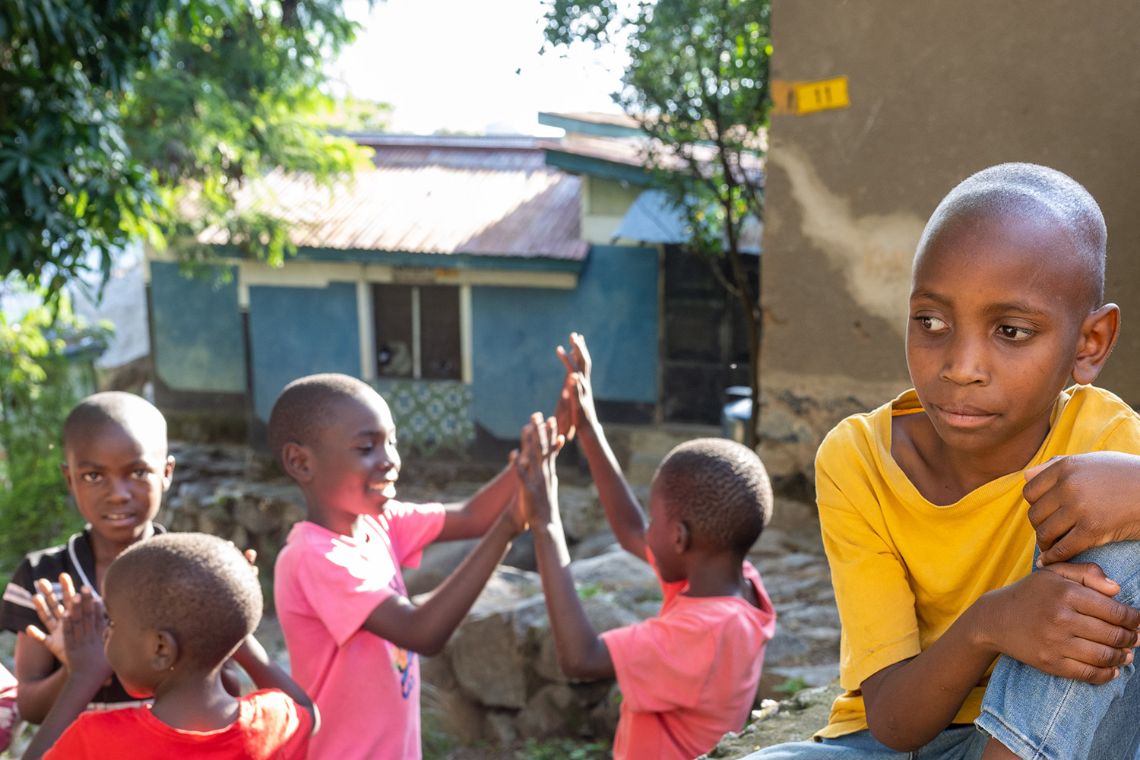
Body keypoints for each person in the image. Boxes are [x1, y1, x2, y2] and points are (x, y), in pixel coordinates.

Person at [745, 163, 1140, 760]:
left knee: (1121, 552)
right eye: (931, 322)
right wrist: (992, 622)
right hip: (904, 743)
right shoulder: (860, 461)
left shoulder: (1105, 436)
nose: (960, 366)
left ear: (1090, 344)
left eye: (1010, 330)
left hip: (1063, 739)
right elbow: (895, 723)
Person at [517, 332, 776, 760]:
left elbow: (580, 659)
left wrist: (544, 521)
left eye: (657, 519)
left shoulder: (703, 631)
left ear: (680, 538)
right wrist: (587, 426)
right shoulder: (731, 582)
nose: (647, 528)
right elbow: (629, 530)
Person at [269, 373, 527, 759]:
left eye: (392, 442)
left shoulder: (379, 523)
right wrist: (507, 530)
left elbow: (474, 516)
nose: (389, 459)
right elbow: (420, 631)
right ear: (301, 462)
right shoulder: (314, 557)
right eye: (367, 447)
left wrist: (531, 461)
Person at [23, 532, 316, 759]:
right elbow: (307, 711)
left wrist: (82, 676)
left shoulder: (97, 738)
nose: (105, 637)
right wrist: (233, 631)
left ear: (161, 649)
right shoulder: (274, 721)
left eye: (111, 623)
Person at [0, 392, 176, 722]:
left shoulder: (188, 570)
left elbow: (226, 688)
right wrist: (77, 669)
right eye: (94, 476)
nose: (118, 494)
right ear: (70, 479)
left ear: (166, 472)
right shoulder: (43, 579)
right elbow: (31, 709)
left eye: (138, 472)